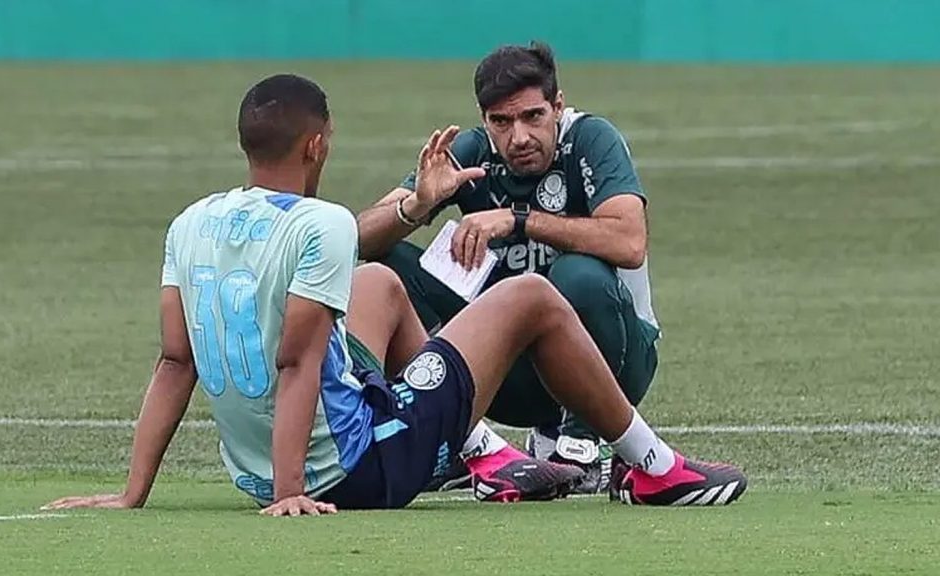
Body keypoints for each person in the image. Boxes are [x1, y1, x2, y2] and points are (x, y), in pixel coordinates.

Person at [43, 74, 746, 515]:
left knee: (377, 280)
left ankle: (487, 456)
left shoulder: (189, 221)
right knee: (530, 294)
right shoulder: (318, 223)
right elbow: (296, 362)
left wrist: (133, 492)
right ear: (317, 146)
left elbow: (174, 364)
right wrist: (295, 491)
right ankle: (655, 468)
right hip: (357, 471)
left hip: (253, 478)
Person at [356, 41, 660, 493]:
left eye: (532, 117)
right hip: (512, 375)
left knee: (577, 275)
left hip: (617, 358)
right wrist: (419, 204)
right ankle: (441, 437)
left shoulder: (592, 139)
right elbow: (358, 238)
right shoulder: (471, 152)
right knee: (387, 268)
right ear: (484, 120)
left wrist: (520, 221)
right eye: (501, 121)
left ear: (557, 106)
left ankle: (580, 443)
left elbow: (630, 241)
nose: (518, 137)